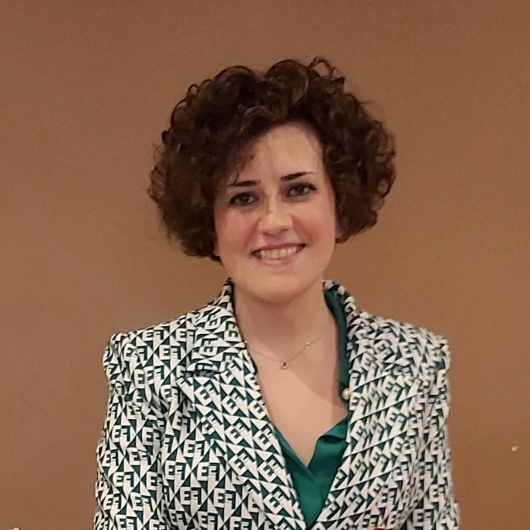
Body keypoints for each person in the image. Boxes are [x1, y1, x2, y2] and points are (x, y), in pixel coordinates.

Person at [94, 58, 459, 529]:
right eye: (243, 197)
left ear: (340, 202)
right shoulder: (148, 368)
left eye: (299, 190)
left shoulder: (417, 363)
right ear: (209, 220)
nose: (274, 221)